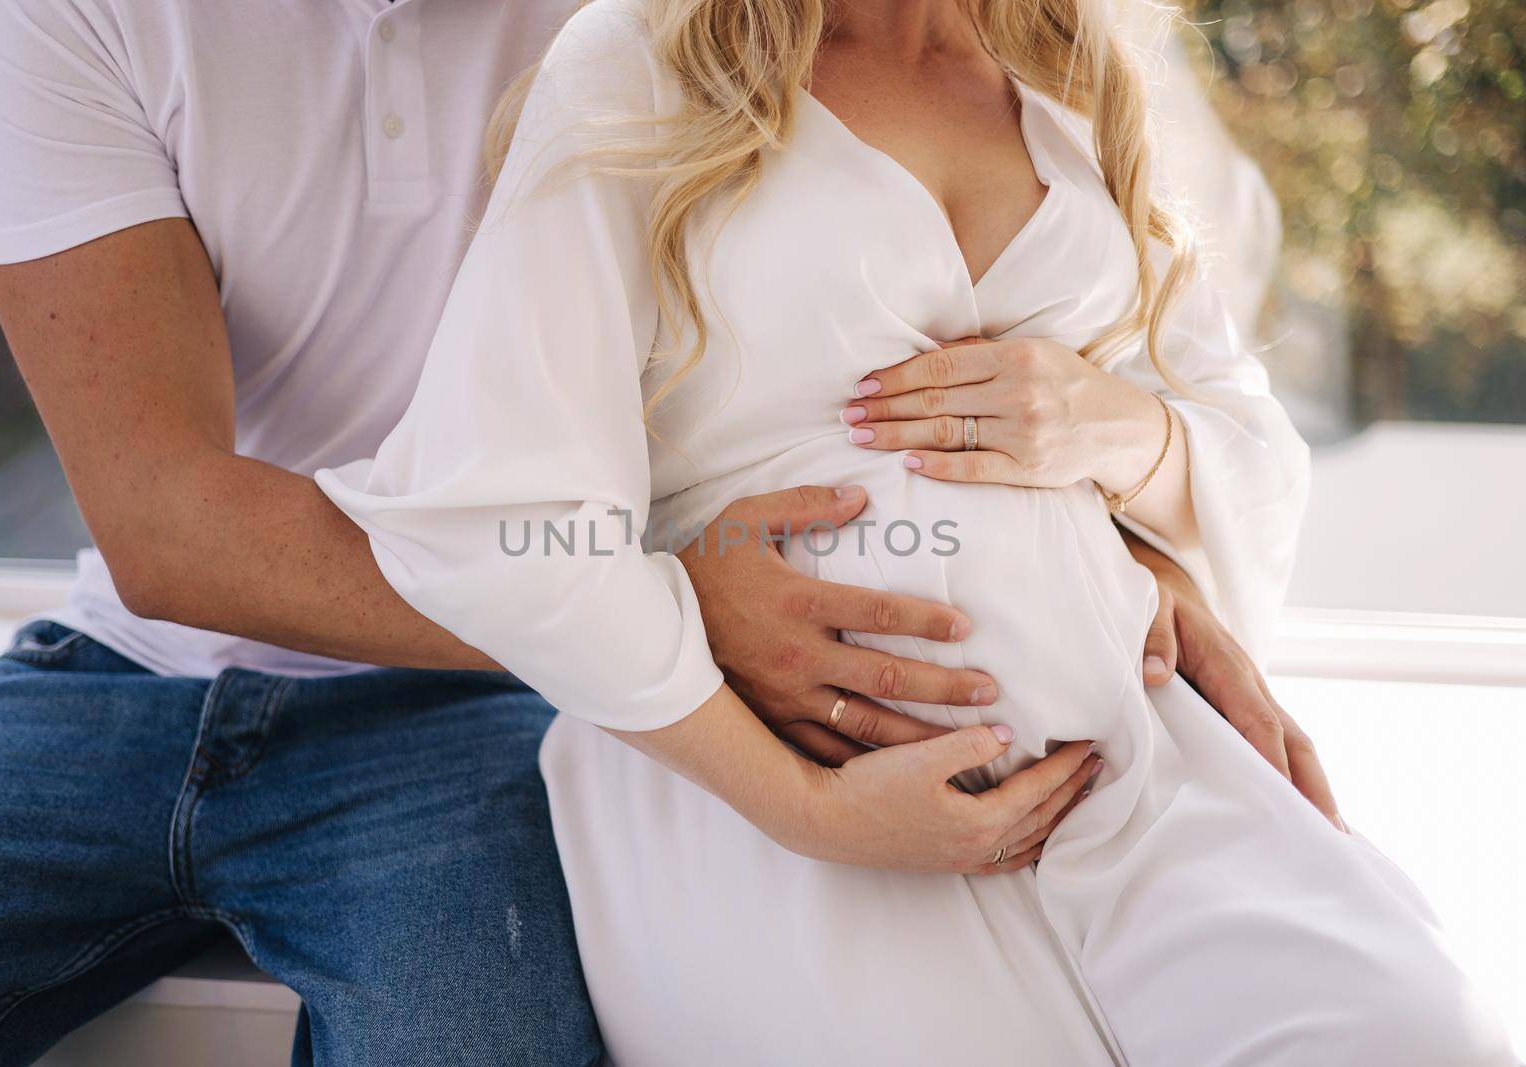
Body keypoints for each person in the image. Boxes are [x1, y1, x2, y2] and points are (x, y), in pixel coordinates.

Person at [0, 0, 1351, 1063]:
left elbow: (1011, 294)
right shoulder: (71, 12)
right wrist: (675, 597)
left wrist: (1145, 557)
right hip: (119, 672)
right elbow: (169, 525)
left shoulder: (685, 16)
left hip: (484, 700)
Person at [318, 0, 1517, 1064]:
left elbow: (1242, 437)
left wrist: (1114, 434)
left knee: (1416, 1035)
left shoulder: (1085, 66)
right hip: (794, 804)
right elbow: (499, 512)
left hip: (1126, 763)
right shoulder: (640, 60)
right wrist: (802, 806)